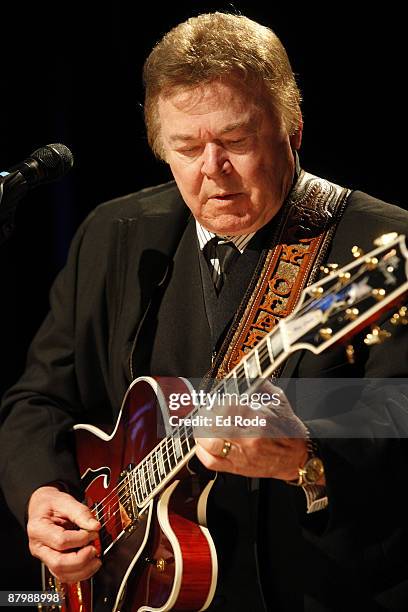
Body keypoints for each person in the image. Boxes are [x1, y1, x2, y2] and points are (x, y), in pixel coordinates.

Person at [1, 11, 408, 611]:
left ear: (292, 133)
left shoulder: (385, 247)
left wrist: (307, 455)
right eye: (186, 147)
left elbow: (396, 406)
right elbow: (39, 398)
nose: (211, 169)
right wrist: (42, 491)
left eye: (237, 142)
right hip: (138, 586)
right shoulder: (114, 234)